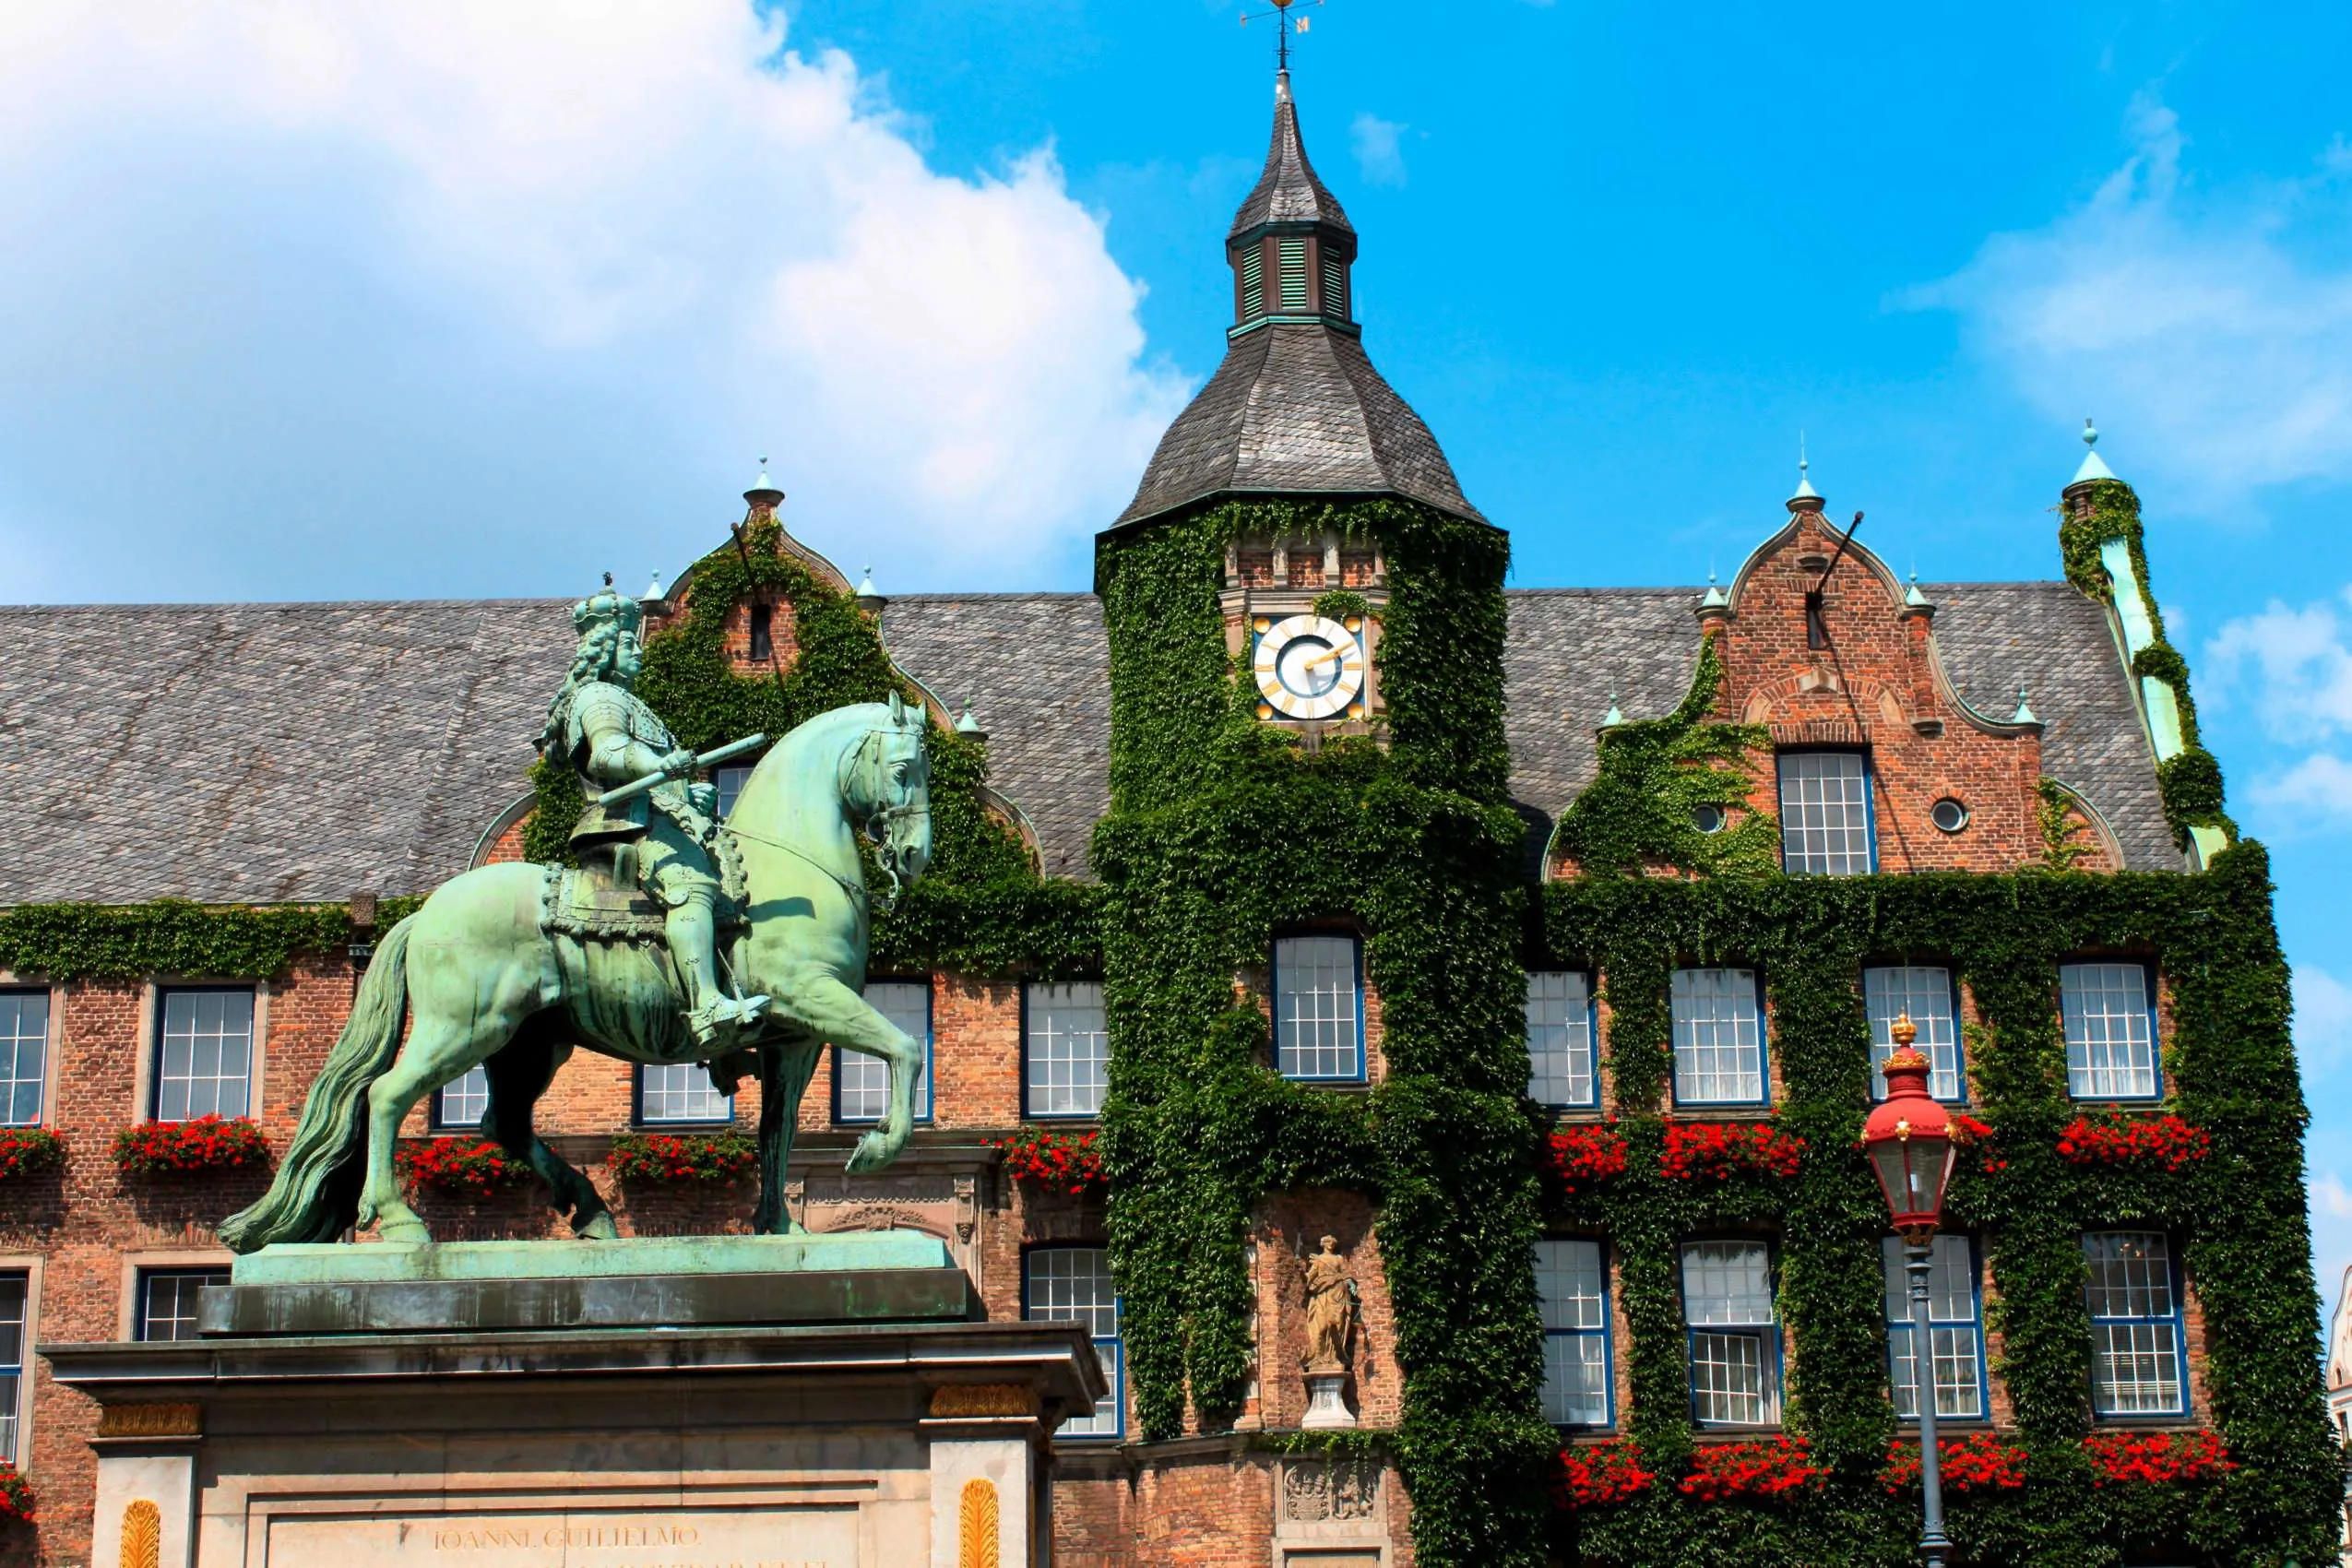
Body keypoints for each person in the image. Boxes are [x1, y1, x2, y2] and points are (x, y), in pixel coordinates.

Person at [539, 582, 766, 1050]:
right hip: (628, 822)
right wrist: (657, 764)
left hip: (657, 815)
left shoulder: (632, 702)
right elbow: (607, 752)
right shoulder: (599, 697)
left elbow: (658, 777)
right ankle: (707, 1004)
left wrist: (688, 793)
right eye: (629, 645)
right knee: (691, 886)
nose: (639, 653)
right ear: (606, 651)